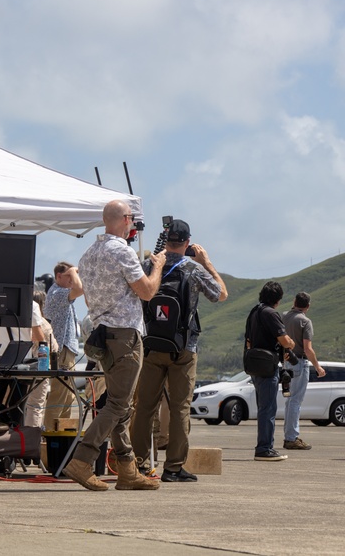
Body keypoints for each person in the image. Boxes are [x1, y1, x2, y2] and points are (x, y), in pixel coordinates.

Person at [62, 199, 166, 491]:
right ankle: (82, 460)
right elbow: (146, 292)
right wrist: (156, 268)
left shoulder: (89, 253)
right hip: (125, 335)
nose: (133, 223)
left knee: (117, 405)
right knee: (119, 404)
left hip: (102, 334)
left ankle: (127, 469)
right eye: (130, 218)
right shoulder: (122, 251)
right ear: (123, 219)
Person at [130, 218, 227, 482]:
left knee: (144, 408)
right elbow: (220, 294)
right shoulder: (193, 269)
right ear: (187, 243)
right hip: (183, 348)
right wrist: (206, 262)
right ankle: (173, 467)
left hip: (150, 345)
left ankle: (138, 464)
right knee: (179, 408)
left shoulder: (149, 265)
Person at [246, 281, 295, 462]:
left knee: (263, 408)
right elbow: (283, 339)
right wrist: (290, 343)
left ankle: (264, 446)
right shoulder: (271, 313)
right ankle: (264, 448)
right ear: (278, 299)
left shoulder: (254, 312)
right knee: (268, 409)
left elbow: (249, 340)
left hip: (255, 365)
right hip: (268, 366)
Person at [281, 292, 326, 451]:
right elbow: (308, 348)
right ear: (307, 306)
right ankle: (291, 437)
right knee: (295, 401)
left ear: (294, 302)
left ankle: (289, 435)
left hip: (286, 361)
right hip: (299, 362)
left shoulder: (284, 316)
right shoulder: (305, 321)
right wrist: (318, 366)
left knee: (289, 400)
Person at [42, 261, 84, 429]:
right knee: (59, 399)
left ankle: (62, 436)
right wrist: (75, 271)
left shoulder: (59, 292)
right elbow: (81, 289)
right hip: (62, 351)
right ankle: (50, 437)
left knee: (67, 399)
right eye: (69, 276)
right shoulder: (57, 293)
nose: (73, 280)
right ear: (58, 276)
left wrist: (73, 273)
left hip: (67, 350)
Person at [23, 291, 57, 429]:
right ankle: (33, 437)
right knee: (36, 404)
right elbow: (48, 344)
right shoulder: (41, 323)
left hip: (25, 363)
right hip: (40, 364)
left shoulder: (22, 319)